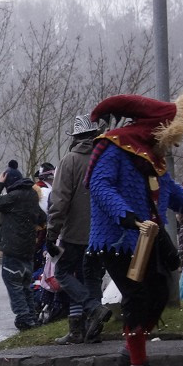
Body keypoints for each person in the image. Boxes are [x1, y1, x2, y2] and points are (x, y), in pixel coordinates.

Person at [85, 94, 183, 366]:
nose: (176, 142)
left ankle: (131, 349)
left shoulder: (151, 155)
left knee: (159, 294)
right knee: (139, 298)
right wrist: (125, 215)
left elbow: (173, 194)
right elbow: (99, 185)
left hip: (147, 237)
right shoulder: (112, 146)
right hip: (118, 239)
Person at [46, 115, 112, 345]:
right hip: (101, 233)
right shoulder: (104, 158)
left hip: (74, 232)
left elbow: (60, 200)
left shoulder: (70, 161)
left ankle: (91, 312)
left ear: (75, 138)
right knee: (90, 278)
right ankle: (89, 330)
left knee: (64, 274)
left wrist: (51, 233)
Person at [0, 159, 45, 331]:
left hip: (13, 249)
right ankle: (31, 316)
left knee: (13, 282)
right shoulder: (32, 196)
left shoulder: (14, 197)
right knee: (26, 283)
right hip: (28, 249)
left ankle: (24, 317)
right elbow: (41, 218)